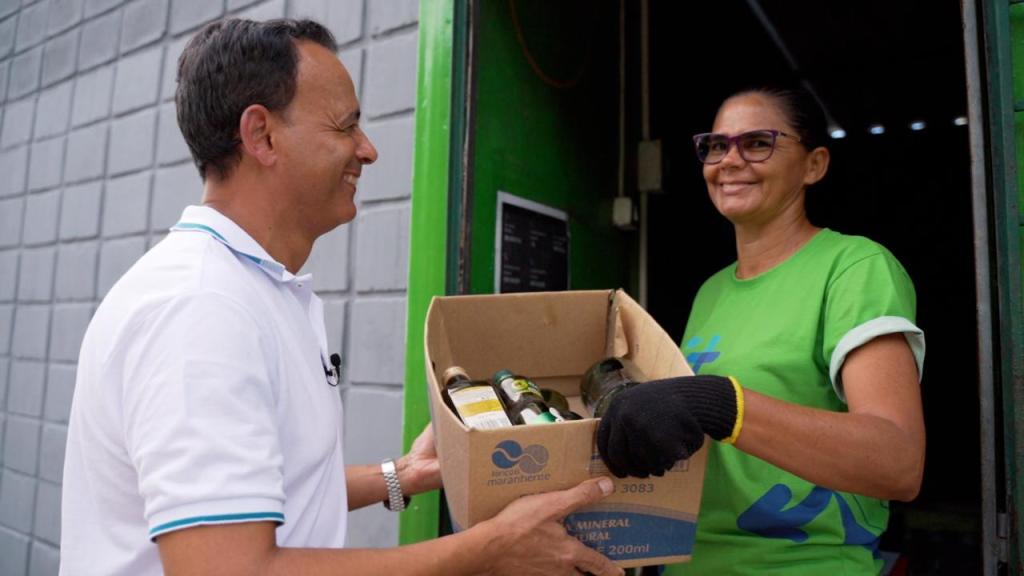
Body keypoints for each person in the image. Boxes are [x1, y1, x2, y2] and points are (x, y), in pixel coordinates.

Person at [60, 18, 622, 576]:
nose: (367, 150)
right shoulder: (201, 308)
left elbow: (263, 492)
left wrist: (403, 474)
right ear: (261, 135)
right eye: (346, 125)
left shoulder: (253, 289)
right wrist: (490, 549)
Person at [597, 86, 926, 574]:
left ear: (814, 165)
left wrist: (721, 404)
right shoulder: (711, 292)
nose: (729, 161)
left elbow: (897, 462)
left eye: (757, 143)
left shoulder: (853, 267)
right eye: (716, 145)